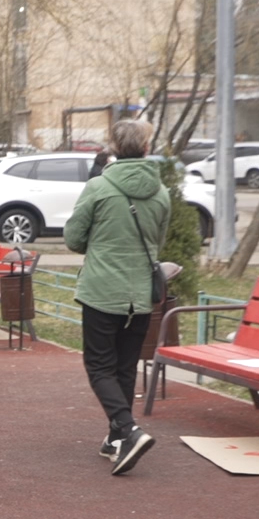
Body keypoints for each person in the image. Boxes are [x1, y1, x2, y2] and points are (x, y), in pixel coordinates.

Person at [64, 118, 170, 476]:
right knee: (125, 367)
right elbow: (157, 242)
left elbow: (74, 239)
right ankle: (117, 440)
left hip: (102, 291)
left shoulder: (98, 187)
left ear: (114, 147)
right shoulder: (161, 192)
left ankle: (128, 429)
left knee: (98, 366)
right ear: (146, 148)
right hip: (141, 294)